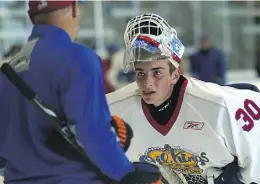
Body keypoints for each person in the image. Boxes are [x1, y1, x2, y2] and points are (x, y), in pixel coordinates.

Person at [106, 13, 260, 184]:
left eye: (157, 72)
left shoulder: (222, 107)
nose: (147, 83)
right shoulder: (112, 111)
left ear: (174, 74)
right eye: (140, 73)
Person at [0, 1, 161, 184]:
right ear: (75, 8)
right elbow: (90, 129)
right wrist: (127, 173)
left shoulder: (9, 69)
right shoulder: (79, 57)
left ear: (31, 17)